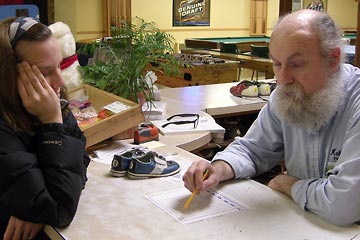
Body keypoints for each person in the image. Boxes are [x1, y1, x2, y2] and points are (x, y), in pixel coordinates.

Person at [183, 9, 360, 227]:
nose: (283, 78)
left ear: (333, 60)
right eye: (277, 64)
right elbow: (252, 150)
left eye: (296, 64)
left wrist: (289, 184)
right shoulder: (286, 95)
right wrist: (218, 168)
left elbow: (343, 205)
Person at [0, 17, 90, 239]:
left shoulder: (49, 102)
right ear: (8, 76)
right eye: (44, 72)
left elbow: (80, 162)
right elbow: (59, 208)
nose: (60, 80)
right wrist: (52, 121)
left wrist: (33, 207)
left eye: (59, 66)